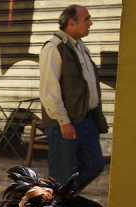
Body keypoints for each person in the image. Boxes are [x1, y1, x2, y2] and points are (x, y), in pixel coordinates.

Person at [39, 4, 107, 190]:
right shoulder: (54, 48)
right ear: (71, 23)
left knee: (95, 164)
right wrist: (63, 122)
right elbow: (49, 91)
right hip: (65, 124)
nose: (91, 23)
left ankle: (64, 199)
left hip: (86, 119)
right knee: (62, 176)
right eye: (87, 19)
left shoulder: (80, 47)